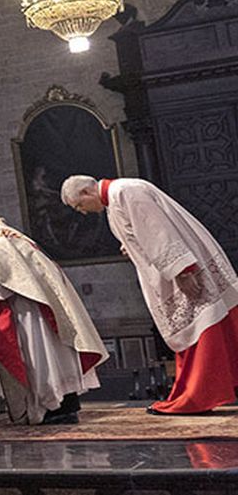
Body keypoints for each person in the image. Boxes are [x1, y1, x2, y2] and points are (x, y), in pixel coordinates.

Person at [62, 174, 238, 414]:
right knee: (200, 328)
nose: (83, 212)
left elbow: (159, 231)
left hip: (183, 273)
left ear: (86, 192)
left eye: (79, 206)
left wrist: (183, 271)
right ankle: (196, 392)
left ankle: (199, 395)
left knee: (202, 329)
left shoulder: (125, 191)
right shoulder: (114, 201)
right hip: (169, 274)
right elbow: (141, 232)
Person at [0, 215, 106, 424]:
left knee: (40, 357)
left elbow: (2, 278)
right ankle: (63, 407)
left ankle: (51, 408)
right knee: (52, 355)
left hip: (28, 307)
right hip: (36, 300)